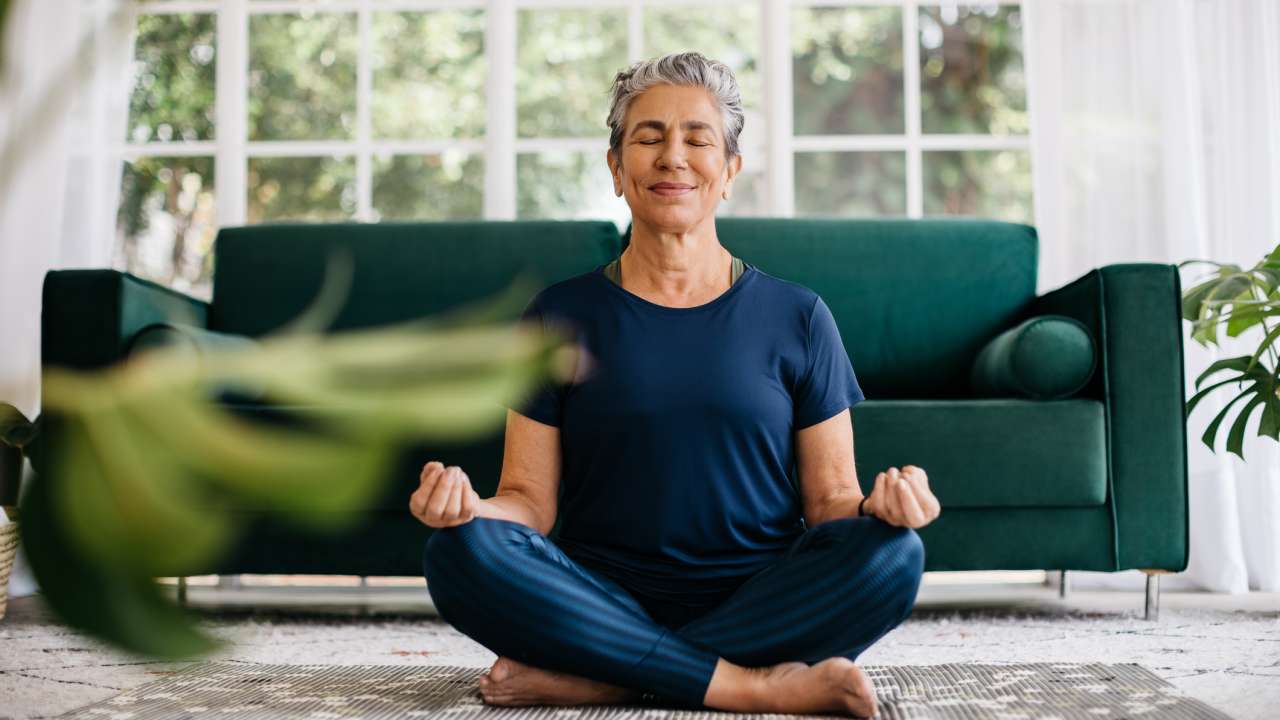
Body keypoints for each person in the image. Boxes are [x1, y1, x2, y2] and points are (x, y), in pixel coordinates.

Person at [413, 51, 941, 718]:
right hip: (597, 596)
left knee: (894, 555)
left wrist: (881, 508)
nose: (673, 157)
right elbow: (527, 503)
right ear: (615, 168)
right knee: (458, 552)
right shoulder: (558, 315)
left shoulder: (799, 316)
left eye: (697, 138)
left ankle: (611, 676)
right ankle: (747, 686)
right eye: (648, 137)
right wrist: (468, 510)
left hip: (760, 596)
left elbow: (832, 501)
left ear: (729, 171)